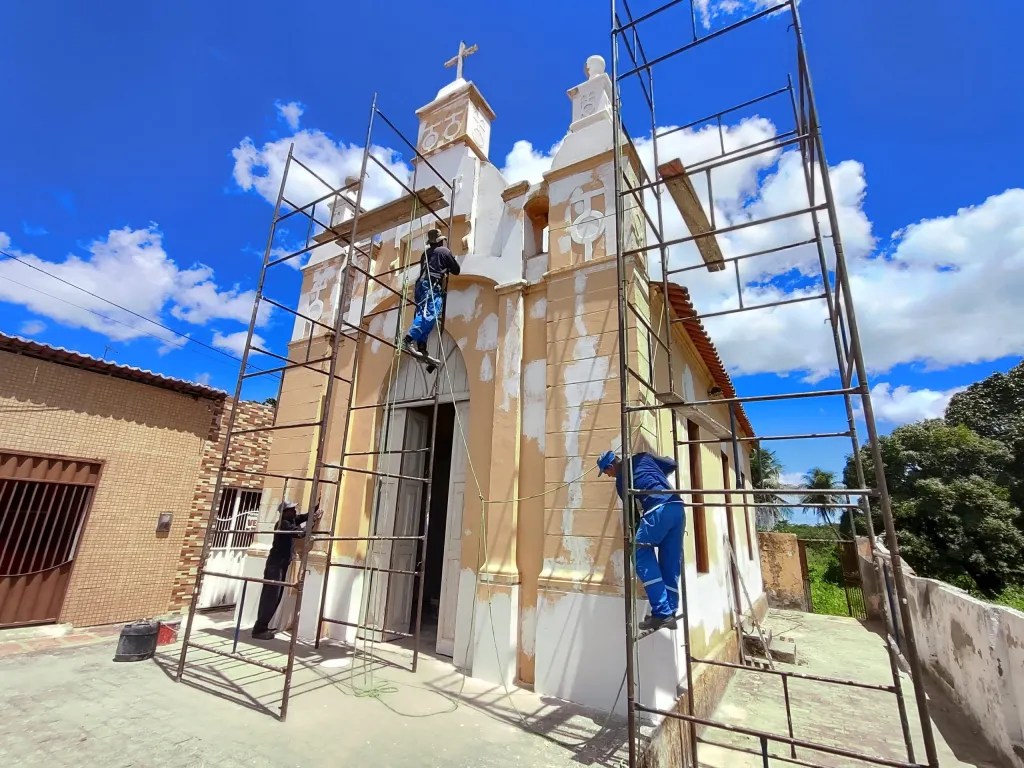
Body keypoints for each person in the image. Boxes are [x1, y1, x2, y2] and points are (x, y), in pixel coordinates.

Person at [597, 449, 685, 633]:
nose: (608, 475)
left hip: (658, 510)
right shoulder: (644, 458)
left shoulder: (621, 480)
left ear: (611, 466)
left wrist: (635, 535)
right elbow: (672, 464)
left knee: (638, 553)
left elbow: (632, 514)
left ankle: (661, 612)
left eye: (606, 472)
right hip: (677, 507)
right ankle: (671, 610)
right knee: (670, 560)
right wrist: (656, 475)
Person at [251, 500, 320, 641]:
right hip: (275, 565)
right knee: (271, 596)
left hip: (281, 564)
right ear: (285, 512)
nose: (295, 511)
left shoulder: (291, 520)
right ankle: (259, 629)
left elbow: (304, 516)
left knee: (276, 596)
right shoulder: (283, 524)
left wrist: (317, 504)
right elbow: (300, 534)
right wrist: (312, 523)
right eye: (292, 509)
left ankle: (264, 626)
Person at [401, 228, 460, 373]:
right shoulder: (444, 251)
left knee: (423, 313)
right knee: (430, 314)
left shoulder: (425, 254)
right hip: (431, 286)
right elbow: (456, 270)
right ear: (440, 241)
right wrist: (448, 264)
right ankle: (408, 339)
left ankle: (422, 347)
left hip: (421, 286)